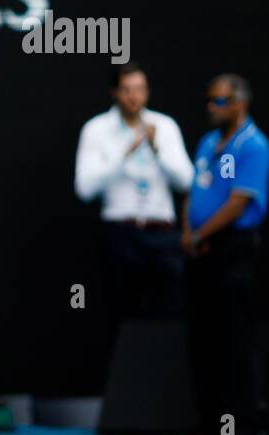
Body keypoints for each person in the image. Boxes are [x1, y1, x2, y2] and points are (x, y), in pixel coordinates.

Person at [183, 74, 269, 435]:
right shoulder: (207, 142)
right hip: (201, 250)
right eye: (209, 100)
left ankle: (244, 421)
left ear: (239, 104)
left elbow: (239, 203)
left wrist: (203, 233)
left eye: (219, 101)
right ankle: (210, 420)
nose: (211, 107)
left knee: (237, 336)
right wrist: (190, 234)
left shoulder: (254, 146)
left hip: (234, 250)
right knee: (205, 337)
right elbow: (195, 188)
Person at [75, 61, 195, 319]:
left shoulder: (165, 126)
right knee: (120, 314)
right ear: (115, 93)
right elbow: (84, 190)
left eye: (139, 89)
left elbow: (186, 182)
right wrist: (124, 153)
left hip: (163, 234)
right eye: (126, 89)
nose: (133, 97)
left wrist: (156, 149)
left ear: (148, 91)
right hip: (120, 235)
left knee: (170, 314)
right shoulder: (96, 129)